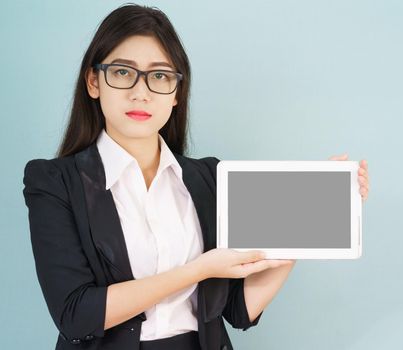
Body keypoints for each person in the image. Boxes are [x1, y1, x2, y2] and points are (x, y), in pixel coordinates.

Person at [22, 4, 370, 350]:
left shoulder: (210, 177)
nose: (140, 92)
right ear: (94, 82)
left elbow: (238, 310)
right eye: (123, 72)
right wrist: (198, 269)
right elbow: (75, 314)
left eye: (159, 76)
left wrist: (309, 217)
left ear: (176, 94)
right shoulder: (53, 182)